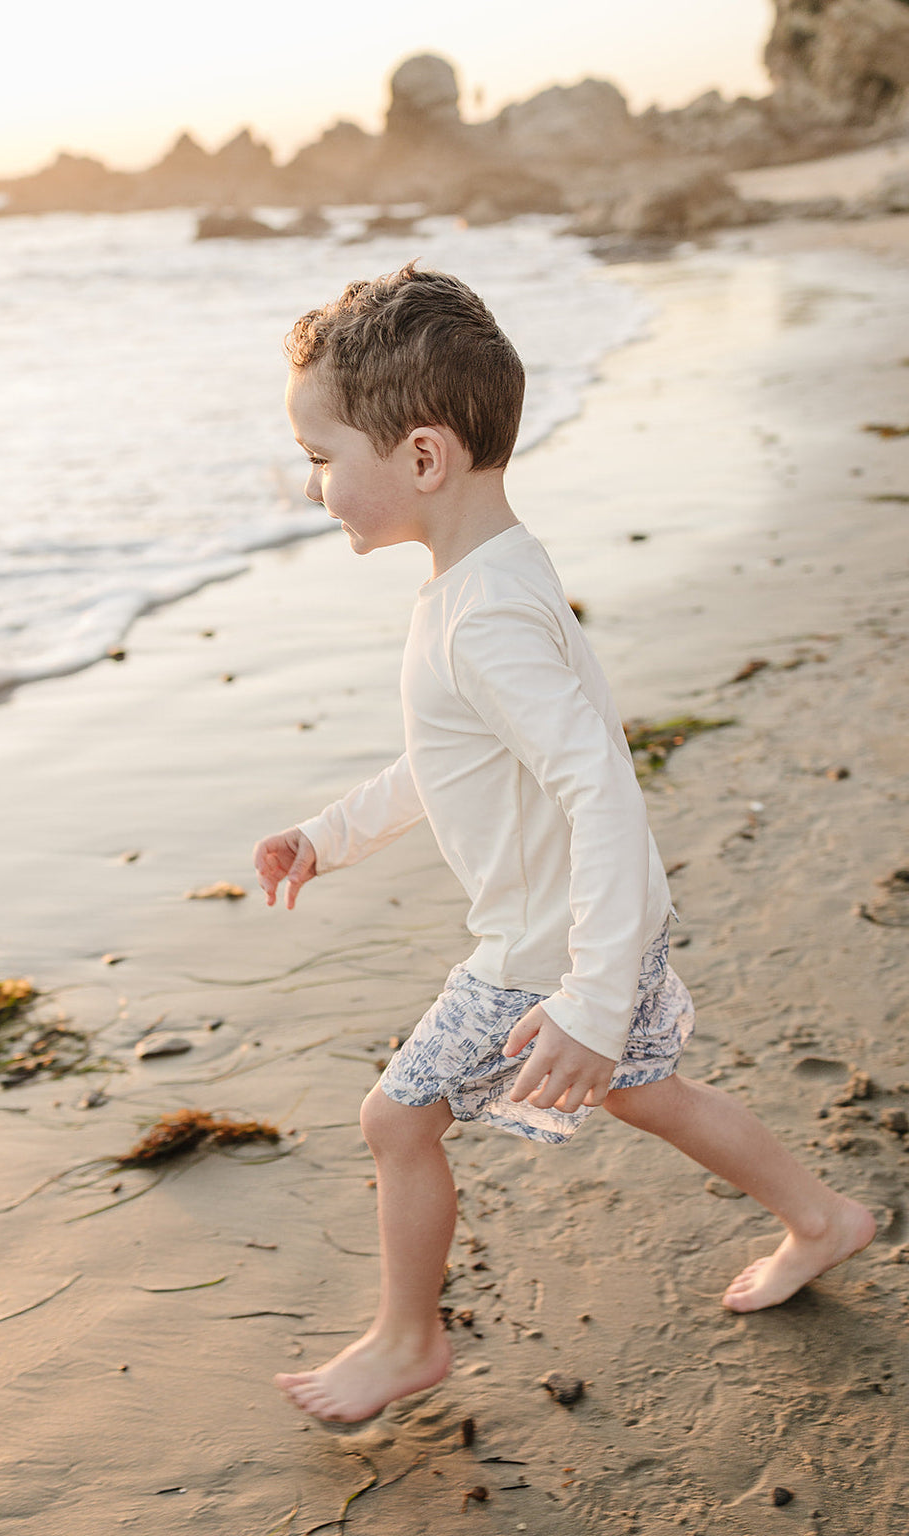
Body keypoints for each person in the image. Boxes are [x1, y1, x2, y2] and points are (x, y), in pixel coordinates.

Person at [253, 263, 876, 1425]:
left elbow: (596, 787)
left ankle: (405, 1338)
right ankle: (820, 1219)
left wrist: (587, 994)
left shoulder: (480, 619)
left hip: (552, 951)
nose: (312, 485)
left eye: (323, 457)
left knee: (396, 1120)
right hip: (598, 929)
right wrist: (327, 838)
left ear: (423, 458)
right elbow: (460, 763)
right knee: (647, 1092)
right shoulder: (490, 577)